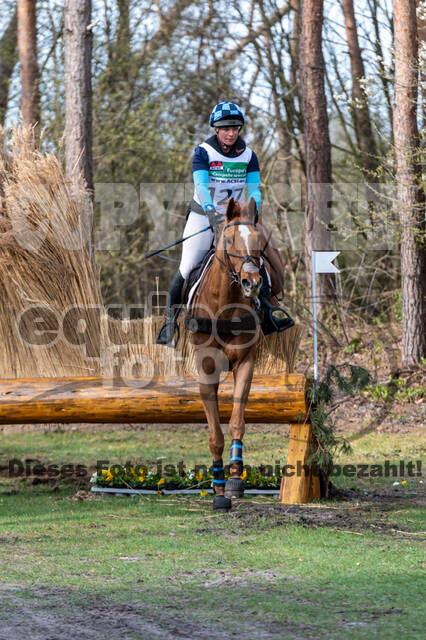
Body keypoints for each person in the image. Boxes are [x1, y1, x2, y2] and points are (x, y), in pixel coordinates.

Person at [156, 101, 289, 346]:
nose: (230, 133)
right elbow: (201, 186)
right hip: (204, 215)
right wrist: (210, 213)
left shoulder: (249, 156)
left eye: (235, 128)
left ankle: (270, 312)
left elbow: (254, 190)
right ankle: (169, 323)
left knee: (256, 262)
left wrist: (252, 211)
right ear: (216, 129)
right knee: (187, 267)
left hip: (238, 218)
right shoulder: (203, 152)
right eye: (225, 128)